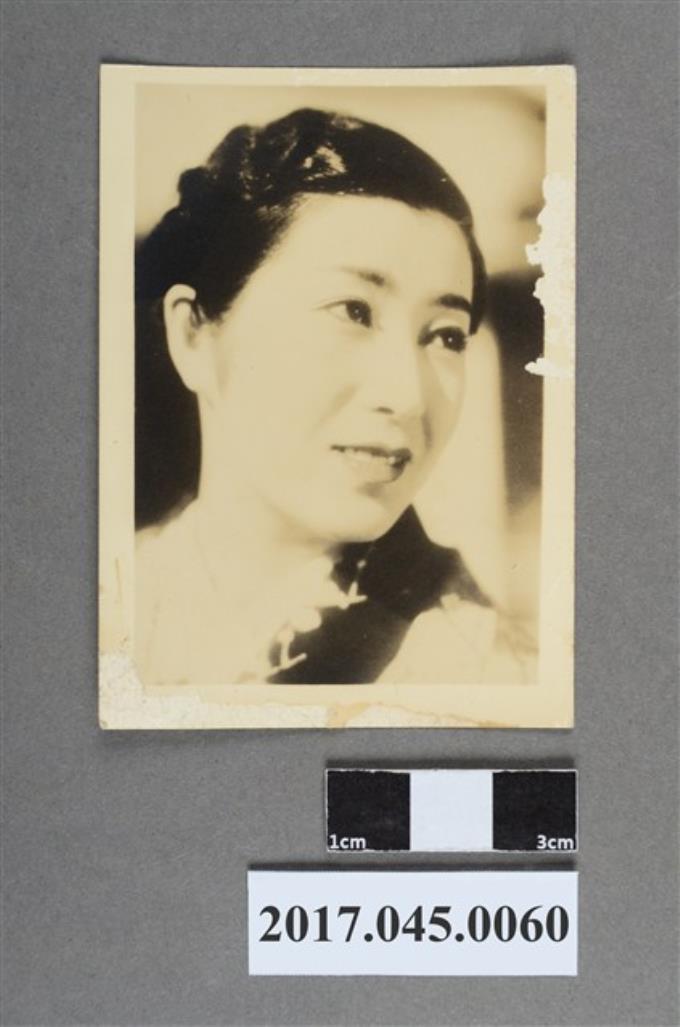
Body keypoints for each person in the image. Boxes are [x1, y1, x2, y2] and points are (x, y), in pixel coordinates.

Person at [134, 107, 534, 686]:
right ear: (194, 335)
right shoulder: (97, 605)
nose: (408, 395)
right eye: (353, 311)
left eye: (446, 336)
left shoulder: (492, 675)